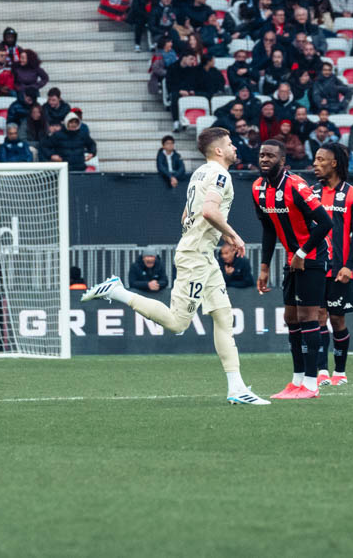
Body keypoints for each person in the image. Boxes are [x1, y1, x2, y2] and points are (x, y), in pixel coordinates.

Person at [81, 128, 270, 405]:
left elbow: (186, 215)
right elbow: (209, 211)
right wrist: (233, 234)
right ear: (219, 150)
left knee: (223, 317)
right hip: (196, 257)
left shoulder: (199, 173)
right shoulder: (220, 175)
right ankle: (117, 291)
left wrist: (212, 235)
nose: (234, 147)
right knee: (177, 322)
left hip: (203, 255)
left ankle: (237, 388)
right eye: (230, 144)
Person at [247, 138, 334, 400]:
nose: (264, 159)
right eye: (262, 155)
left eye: (270, 156)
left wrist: (302, 252)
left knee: (308, 317)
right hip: (292, 259)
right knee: (291, 318)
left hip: (313, 256)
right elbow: (268, 229)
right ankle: (296, 381)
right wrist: (264, 266)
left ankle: (311, 383)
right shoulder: (258, 188)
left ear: (283, 161)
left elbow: (325, 223)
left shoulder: (296, 185)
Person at [310, 142, 353, 388]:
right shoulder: (311, 193)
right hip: (316, 267)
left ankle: (340, 372)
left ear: (334, 163)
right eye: (315, 159)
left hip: (339, 269)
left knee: (337, 320)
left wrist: (348, 266)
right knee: (319, 317)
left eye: (321, 160)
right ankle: (322, 370)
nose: (315, 164)